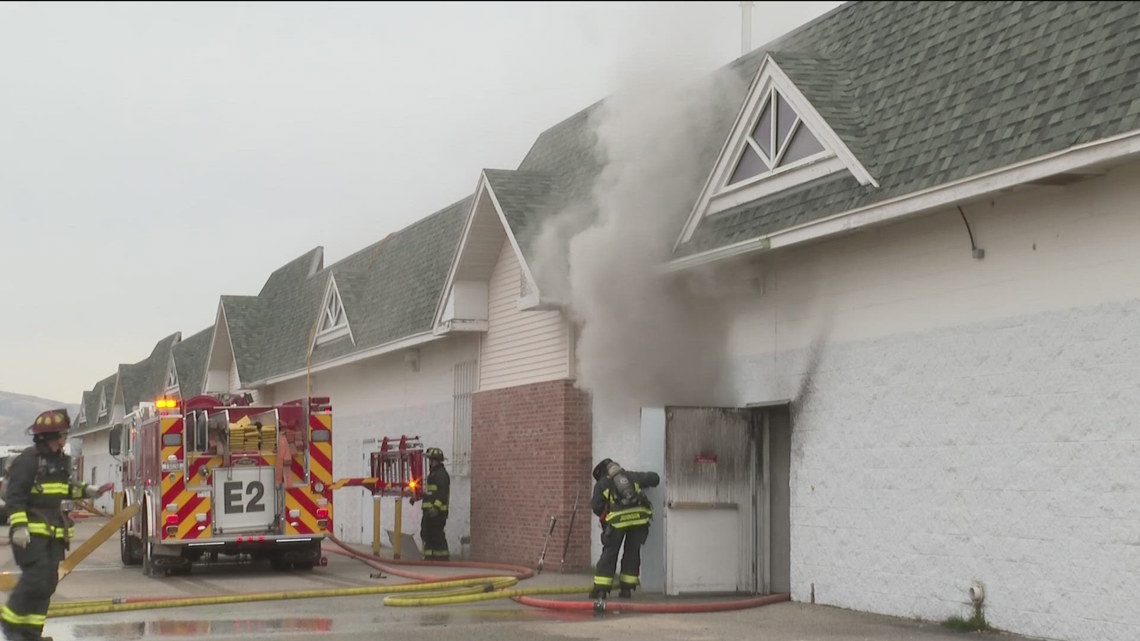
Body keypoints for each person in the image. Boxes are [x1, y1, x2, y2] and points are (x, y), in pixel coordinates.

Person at [2, 409, 112, 641]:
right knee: (36, 579)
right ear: (48, 438)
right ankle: (11, 624)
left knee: (48, 583)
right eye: (61, 435)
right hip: (31, 533)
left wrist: (87, 491)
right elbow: (15, 497)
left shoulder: (60, 461)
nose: (64, 440)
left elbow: (65, 489)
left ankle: (32, 632)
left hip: (54, 533)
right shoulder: (28, 461)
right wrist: (20, 527)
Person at [589, 458, 660, 600]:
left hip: (617, 522)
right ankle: (626, 589)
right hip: (639, 520)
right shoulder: (631, 476)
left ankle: (601, 590)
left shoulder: (602, 484)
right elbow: (654, 479)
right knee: (632, 552)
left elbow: (596, 506)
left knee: (610, 553)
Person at [414, 447, 450, 561]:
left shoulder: (441, 474)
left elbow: (442, 494)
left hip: (437, 513)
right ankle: (430, 557)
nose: (430, 462)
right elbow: (431, 493)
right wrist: (417, 497)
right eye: (430, 460)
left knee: (437, 535)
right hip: (429, 512)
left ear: (437, 461)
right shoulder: (434, 474)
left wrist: (435, 508)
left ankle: (442, 557)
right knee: (426, 533)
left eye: (432, 460)